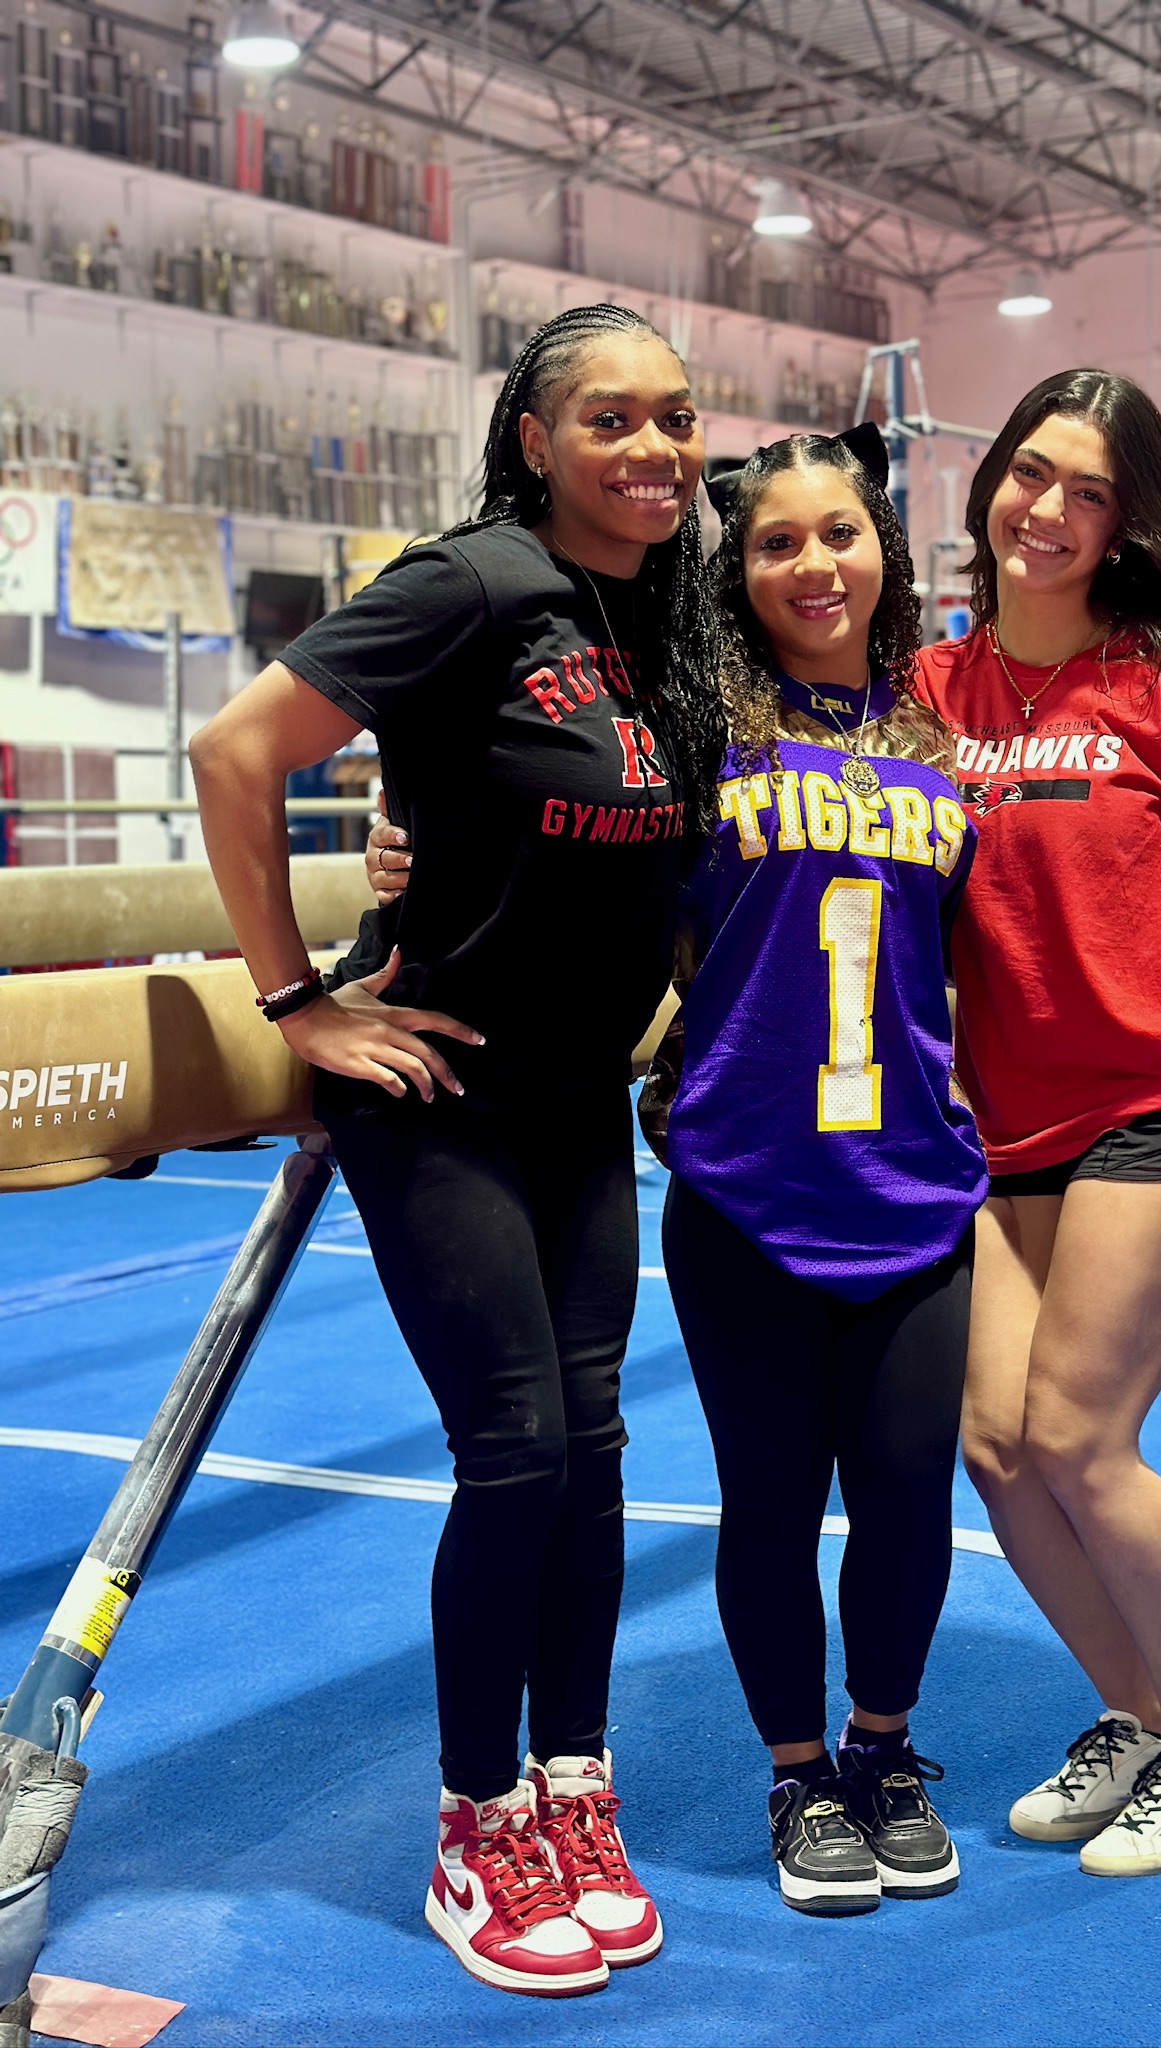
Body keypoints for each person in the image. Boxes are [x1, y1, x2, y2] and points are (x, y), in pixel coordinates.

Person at [370, 425, 989, 1918]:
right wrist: (415, 852)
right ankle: (794, 1775)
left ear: (882, 551)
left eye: (838, 534)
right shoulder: (695, 721)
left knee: (907, 1498)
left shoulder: (937, 735)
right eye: (775, 543)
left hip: (913, 1183)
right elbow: (549, 820)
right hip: (749, 1185)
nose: (812, 565)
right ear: (740, 570)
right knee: (768, 1502)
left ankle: (884, 1751)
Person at [190, 304, 726, 1998]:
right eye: (612, 420)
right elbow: (235, 748)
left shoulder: (664, 618)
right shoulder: (470, 581)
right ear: (536, 439)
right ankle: (476, 1811)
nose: (654, 449)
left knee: (595, 1446)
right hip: (440, 1088)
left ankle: (574, 1778)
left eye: (677, 417)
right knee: (514, 1450)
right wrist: (297, 998)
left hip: (574, 1098)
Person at [916, 367, 1161, 1877]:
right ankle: (1139, 1717)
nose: (1050, 511)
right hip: (997, 1126)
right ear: (989, 480)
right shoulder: (929, 695)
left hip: (1153, 1105)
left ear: (1127, 519)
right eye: (1031, 473)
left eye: (1089, 491)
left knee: (1080, 1435)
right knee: (996, 1444)